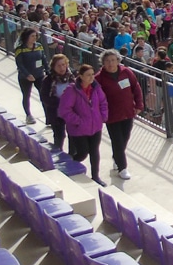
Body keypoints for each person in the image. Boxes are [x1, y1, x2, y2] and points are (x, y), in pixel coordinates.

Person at [95, 49, 144, 180]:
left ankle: (117, 157)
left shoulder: (126, 72)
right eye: (107, 61)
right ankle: (122, 167)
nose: (110, 63)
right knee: (117, 141)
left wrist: (139, 105)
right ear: (103, 63)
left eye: (113, 60)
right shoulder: (99, 78)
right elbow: (96, 97)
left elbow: (136, 87)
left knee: (124, 138)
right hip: (111, 115)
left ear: (118, 61)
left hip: (128, 112)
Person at [58, 63, 109, 186]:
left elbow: (103, 102)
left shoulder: (96, 88)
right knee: (83, 152)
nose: (91, 77)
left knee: (94, 151)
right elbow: (64, 110)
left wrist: (102, 116)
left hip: (95, 126)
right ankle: (69, 166)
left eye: (92, 74)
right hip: (79, 129)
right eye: (88, 75)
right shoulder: (72, 90)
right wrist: (78, 121)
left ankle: (95, 176)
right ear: (80, 76)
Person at [38, 53, 76, 151]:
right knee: (59, 136)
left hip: (71, 112)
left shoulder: (73, 77)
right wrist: (60, 103)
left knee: (73, 136)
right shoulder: (48, 80)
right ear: (53, 67)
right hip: (56, 113)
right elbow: (44, 97)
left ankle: (72, 157)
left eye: (64, 64)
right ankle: (59, 155)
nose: (62, 68)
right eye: (58, 65)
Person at [14, 28, 46, 124]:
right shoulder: (20, 49)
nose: (34, 38)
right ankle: (28, 115)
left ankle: (48, 116)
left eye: (35, 36)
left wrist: (48, 70)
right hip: (26, 77)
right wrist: (27, 74)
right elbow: (20, 64)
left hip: (39, 75)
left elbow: (43, 59)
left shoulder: (39, 46)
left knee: (44, 95)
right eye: (32, 36)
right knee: (26, 95)